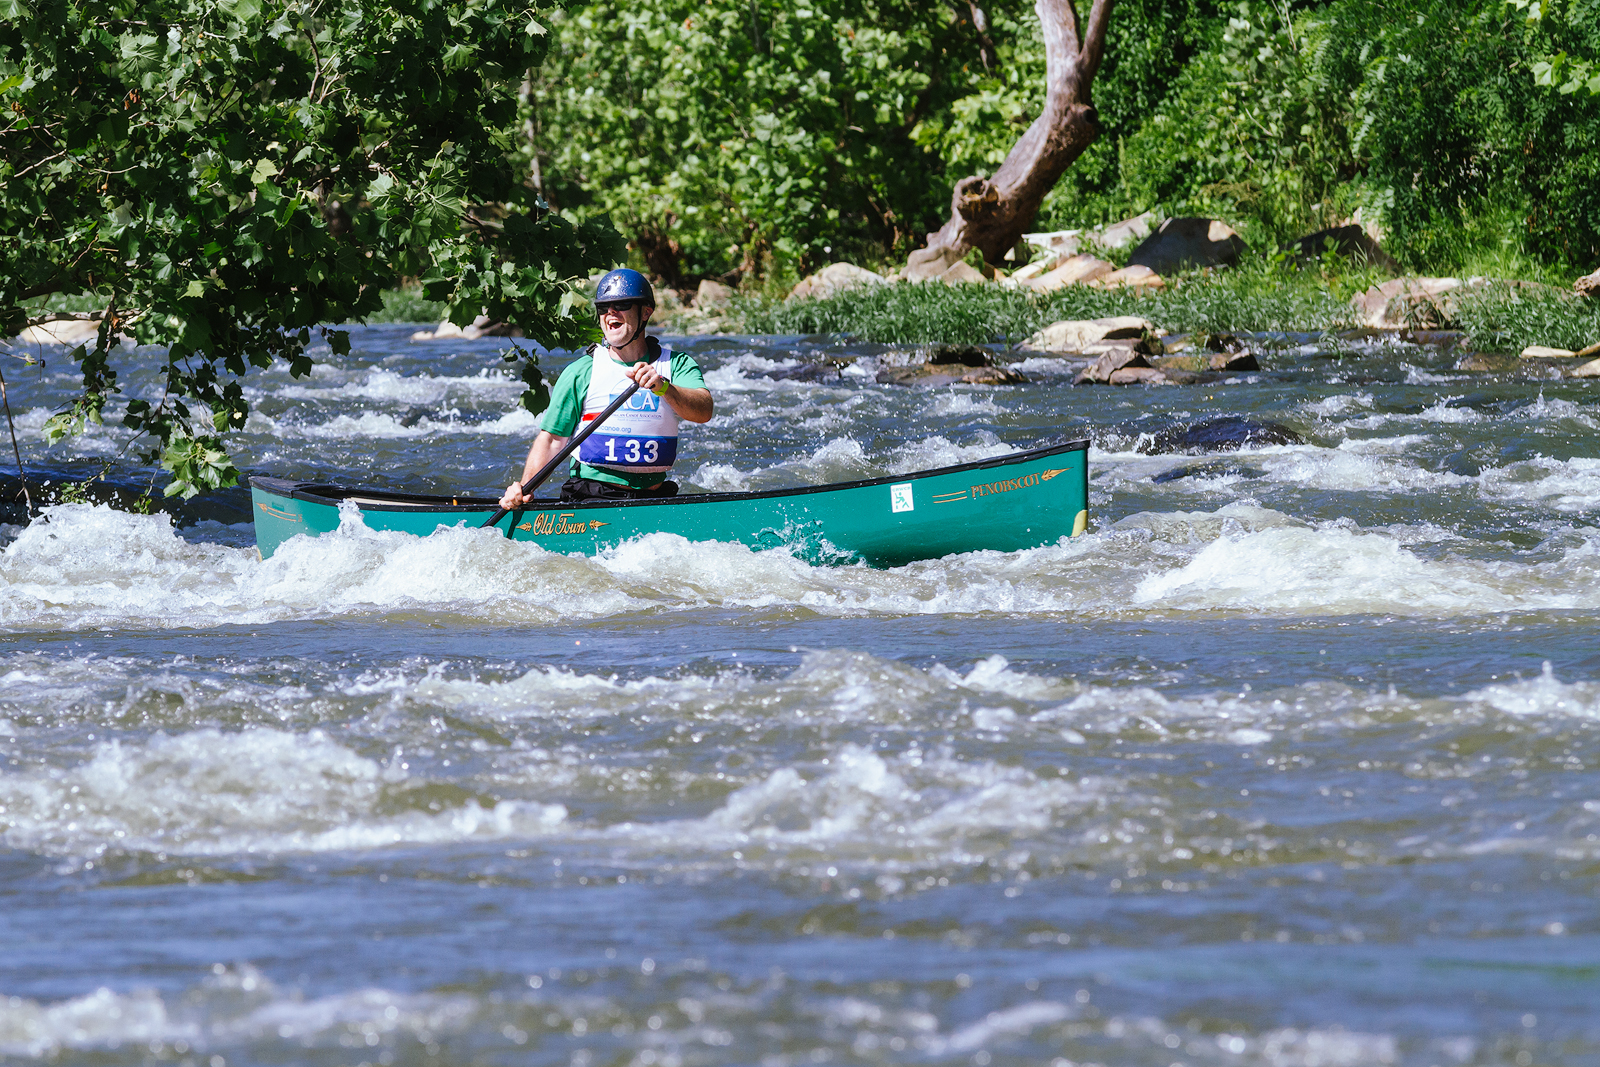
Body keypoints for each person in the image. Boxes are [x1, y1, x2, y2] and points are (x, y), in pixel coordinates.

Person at [499, 268, 713, 508]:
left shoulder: (676, 365)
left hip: (654, 497)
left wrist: (665, 388)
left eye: (621, 304)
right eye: (603, 307)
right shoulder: (580, 372)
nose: (611, 312)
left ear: (645, 312)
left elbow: (703, 411)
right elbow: (551, 440)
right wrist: (523, 489)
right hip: (591, 497)